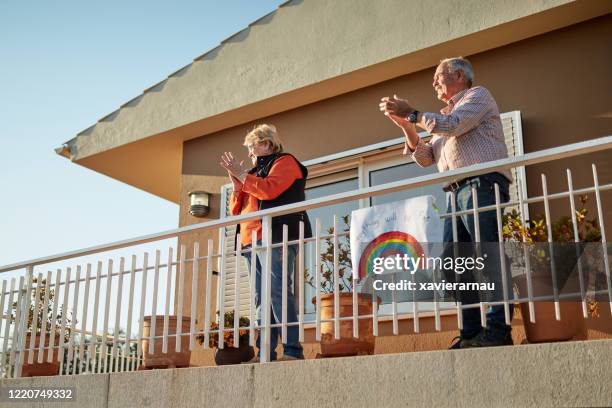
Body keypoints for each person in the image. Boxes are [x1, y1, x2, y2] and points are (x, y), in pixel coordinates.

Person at [379, 57, 513, 348]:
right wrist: (406, 124)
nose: (434, 82)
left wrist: (414, 113)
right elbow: (426, 158)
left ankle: (499, 330)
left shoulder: (478, 96)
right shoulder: (442, 118)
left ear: (460, 76)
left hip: (482, 183)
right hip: (456, 190)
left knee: (486, 255)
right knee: (455, 262)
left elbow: (453, 126)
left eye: (439, 76)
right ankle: (471, 332)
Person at [220, 124, 311, 361]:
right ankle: (265, 354)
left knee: (278, 292)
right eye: (248, 148)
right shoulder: (252, 173)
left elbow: (269, 191)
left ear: (268, 144)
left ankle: (292, 350)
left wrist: (243, 176)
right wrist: (236, 182)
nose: (249, 152)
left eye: (253, 146)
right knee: (261, 298)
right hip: (251, 241)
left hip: (276, 236)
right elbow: (235, 211)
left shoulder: (285, 162)